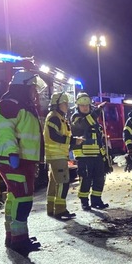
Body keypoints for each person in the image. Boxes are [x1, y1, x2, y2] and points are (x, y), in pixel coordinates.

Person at [0, 70, 44, 254]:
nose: (34, 92)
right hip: (14, 159)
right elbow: (4, 130)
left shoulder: (19, 104)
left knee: (15, 195)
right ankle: (20, 241)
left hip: (21, 159)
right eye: (32, 88)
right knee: (23, 198)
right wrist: (12, 152)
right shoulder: (10, 105)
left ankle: (14, 236)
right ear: (23, 87)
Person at [70, 93, 109, 210]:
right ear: (78, 106)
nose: (85, 107)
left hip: (96, 154)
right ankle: (84, 202)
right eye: (82, 105)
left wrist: (104, 156)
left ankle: (96, 200)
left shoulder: (94, 119)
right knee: (85, 179)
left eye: (87, 105)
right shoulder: (76, 118)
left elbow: (98, 138)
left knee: (99, 178)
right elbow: (84, 124)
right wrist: (97, 111)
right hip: (83, 155)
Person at [43, 91, 76, 221]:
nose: (67, 106)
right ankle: (60, 210)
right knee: (63, 182)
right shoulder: (55, 118)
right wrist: (73, 141)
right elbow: (55, 136)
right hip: (57, 156)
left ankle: (51, 209)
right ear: (57, 104)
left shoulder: (58, 117)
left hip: (56, 155)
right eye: (64, 103)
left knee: (53, 183)